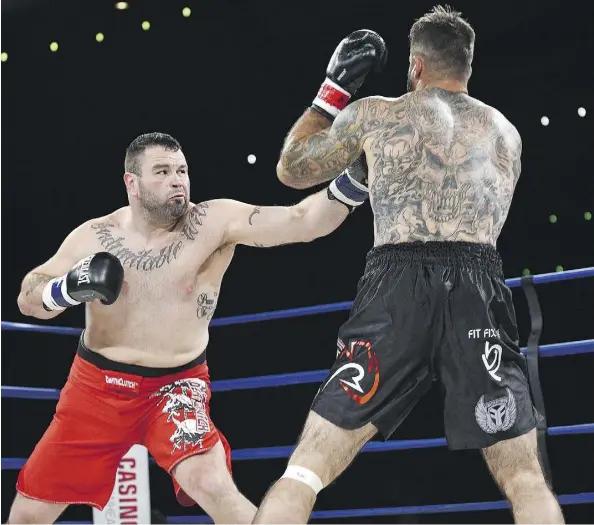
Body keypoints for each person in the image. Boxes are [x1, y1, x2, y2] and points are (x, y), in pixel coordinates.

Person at [252, 7, 564, 525]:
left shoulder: (378, 114)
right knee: (525, 477)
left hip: (396, 284)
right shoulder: (506, 133)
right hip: (479, 285)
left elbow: (291, 170)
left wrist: (332, 91)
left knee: (306, 469)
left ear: (416, 65)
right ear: (467, 64)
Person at [10, 131, 370, 524]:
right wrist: (63, 290)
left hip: (176, 386)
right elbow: (28, 299)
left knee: (212, 484)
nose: (177, 179)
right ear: (132, 182)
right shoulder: (95, 236)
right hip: (97, 387)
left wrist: (358, 176)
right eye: (162, 171)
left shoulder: (214, 222)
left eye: (181, 170)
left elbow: (303, 221)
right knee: (28, 513)